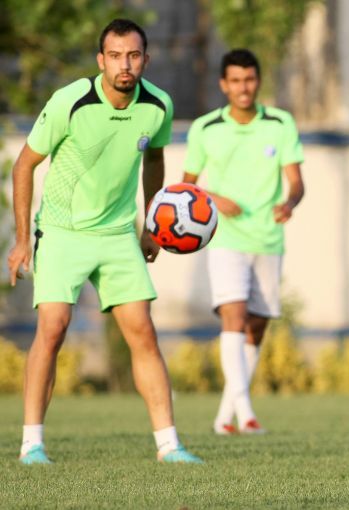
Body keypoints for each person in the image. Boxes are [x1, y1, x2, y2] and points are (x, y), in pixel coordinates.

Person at [6, 19, 201, 464]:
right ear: (101, 61)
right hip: (62, 232)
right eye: (115, 56)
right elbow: (23, 166)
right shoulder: (70, 101)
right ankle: (32, 445)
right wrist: (21, 239)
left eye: (132, 55)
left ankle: (169, 445)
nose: (124, 65)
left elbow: (155, 160)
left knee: (143, 333)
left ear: (145, 59)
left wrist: (152, 225)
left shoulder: (158, 105)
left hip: (117, 234)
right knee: (53, 327)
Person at [182, 49, 304, 435]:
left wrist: (289, 203)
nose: (243, 87)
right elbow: (187, 187)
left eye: (249, 79)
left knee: (257, 326)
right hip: (225, 238)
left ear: (258, 81)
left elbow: (296, 182)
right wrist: (215, 199)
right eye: (235, 80)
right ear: (224, 84)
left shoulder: (280, 123)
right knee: (233, 317)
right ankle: (247, 413)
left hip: (268, 239)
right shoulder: (205, 128)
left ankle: (224, 417)